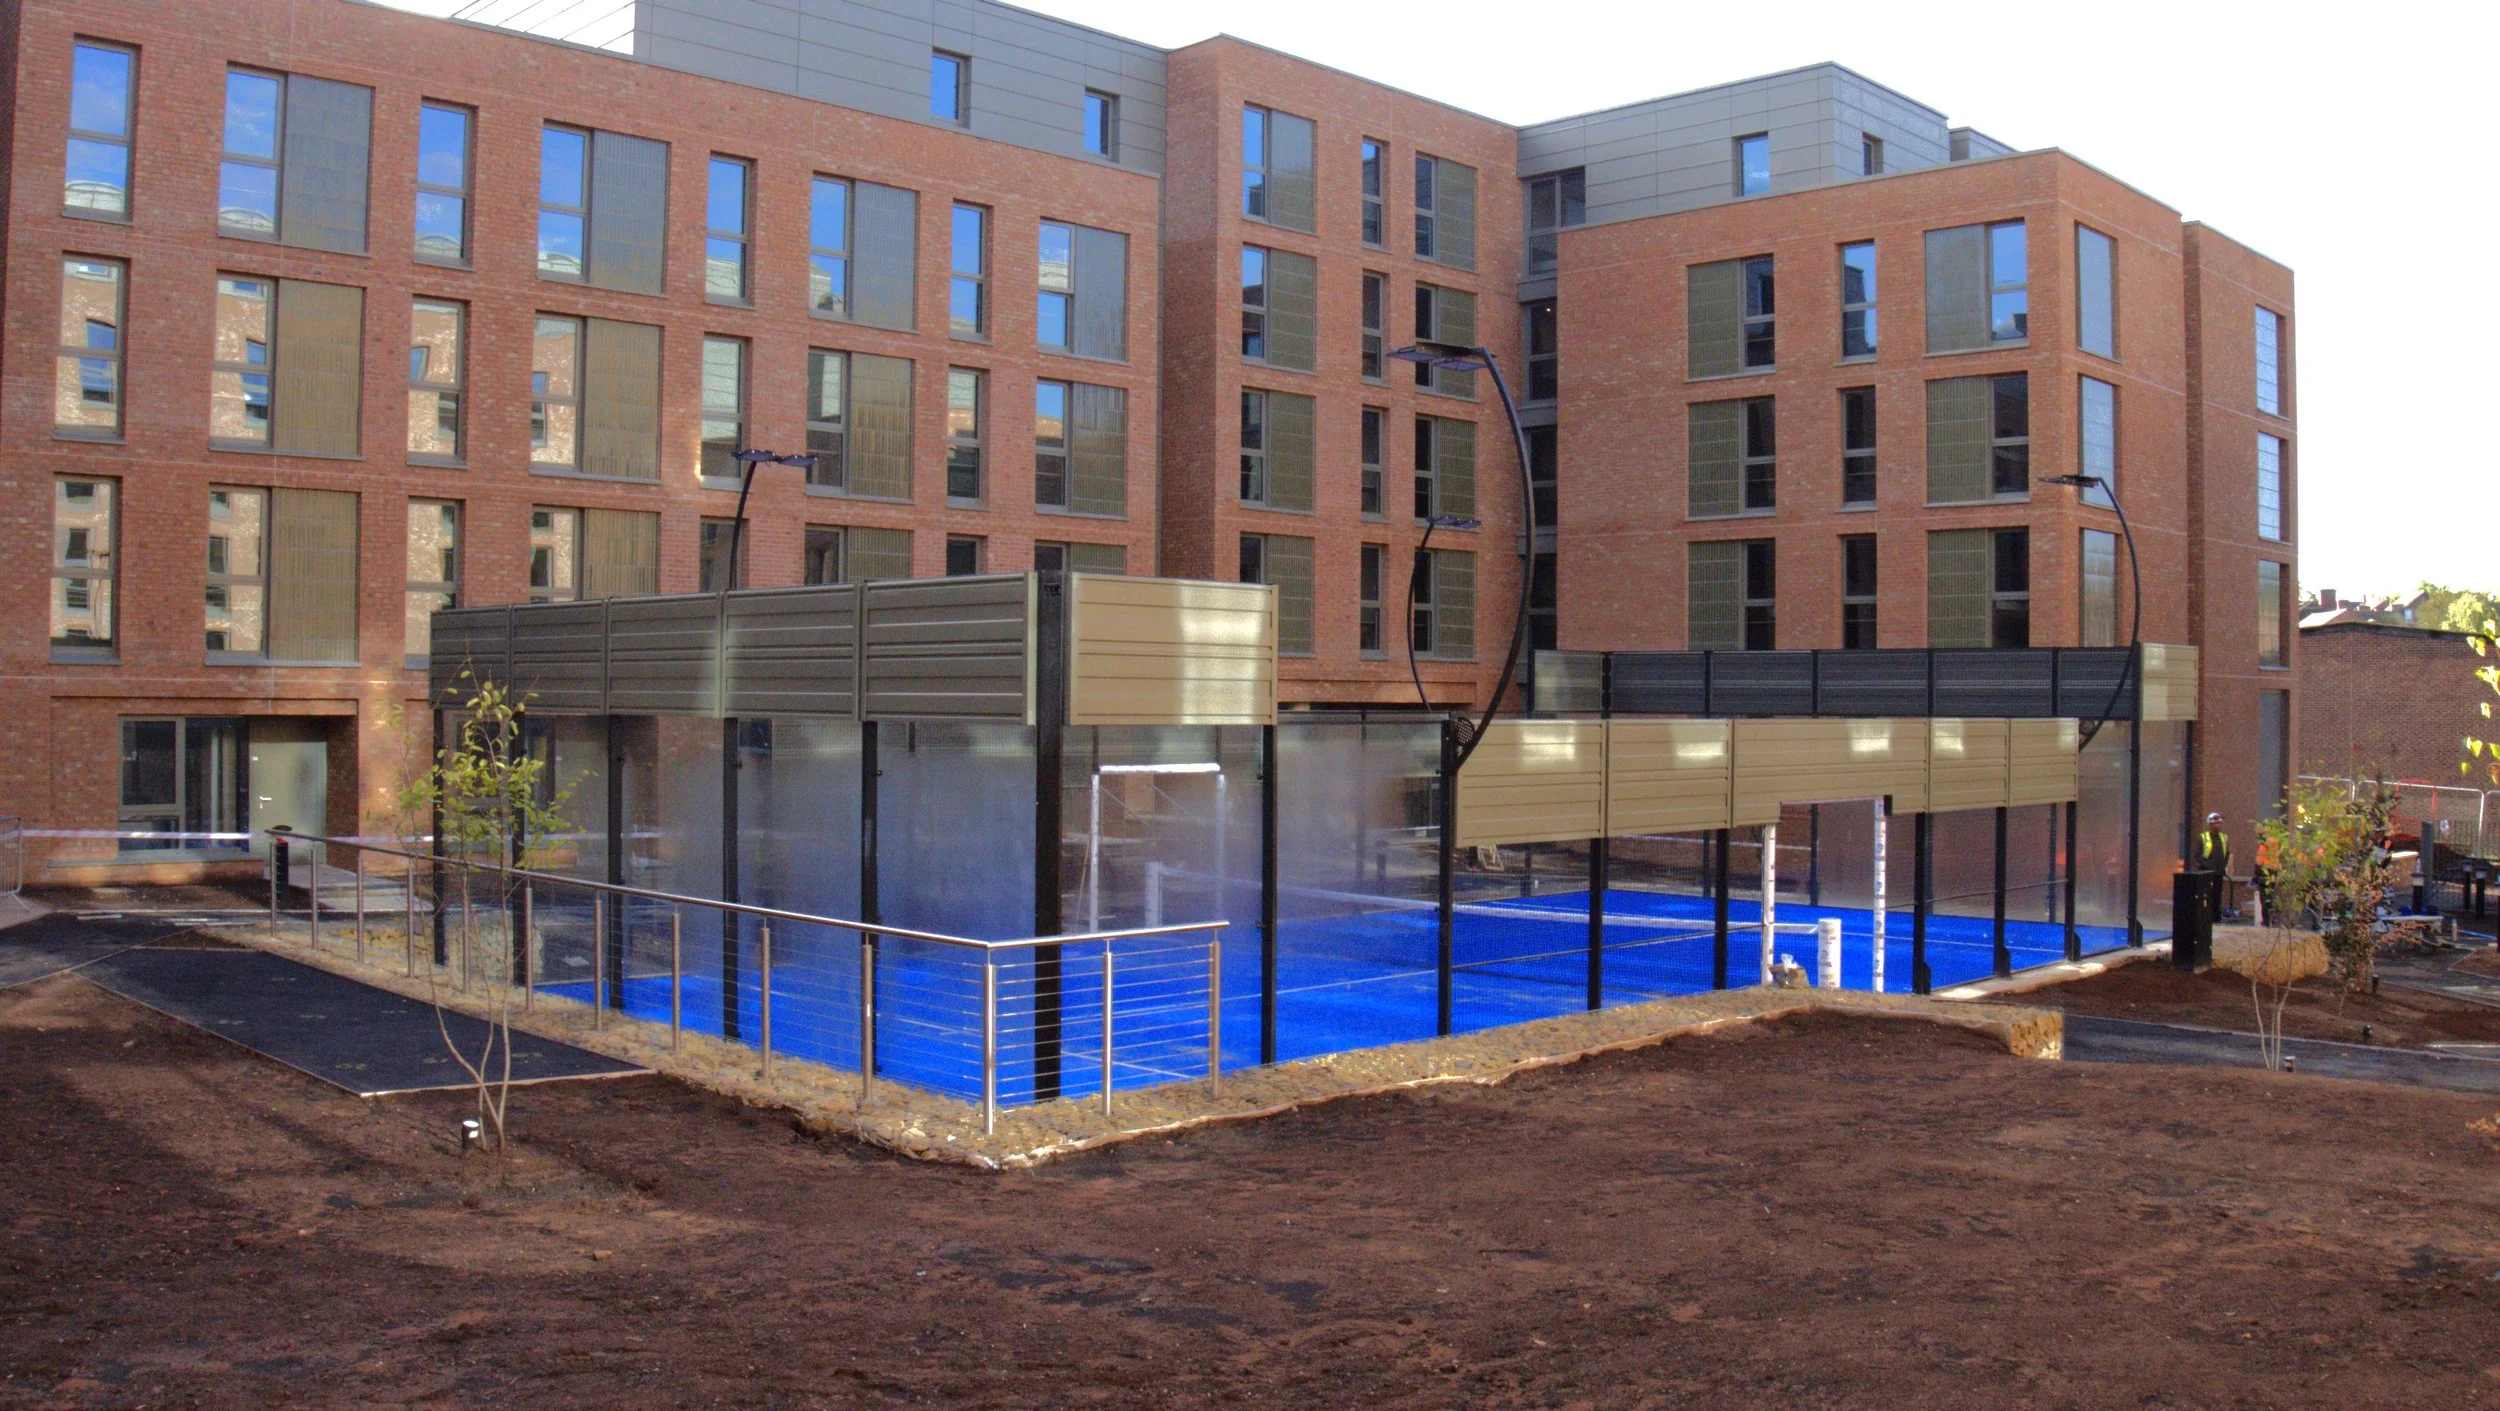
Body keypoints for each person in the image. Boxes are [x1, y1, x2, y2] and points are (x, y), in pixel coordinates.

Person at [2196, 812, 2234, 919]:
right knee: (2207, 895)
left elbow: (2226, 853)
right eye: (2216, 823)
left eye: (2220, 823)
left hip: (2219, 872)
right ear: (2211, 825)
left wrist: (2224, 866)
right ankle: (2207, 916)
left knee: (2217, 895)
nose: (2219, 825)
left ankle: (2216, 917)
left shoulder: (2224, 837)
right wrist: (2208, 866)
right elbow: (2198, 855)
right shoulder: (2203, 837)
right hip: (2207, 872)